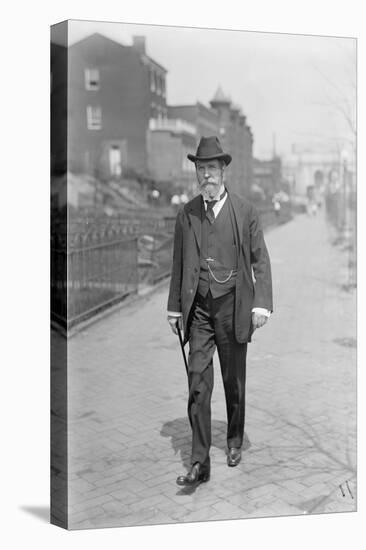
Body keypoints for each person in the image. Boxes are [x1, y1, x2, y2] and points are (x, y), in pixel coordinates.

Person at [167, 136, 273, 486]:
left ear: (223, 170)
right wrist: (174, 309)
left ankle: (233, 440)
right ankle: (199, 463)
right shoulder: (189, 213)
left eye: (211, 168)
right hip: (198, 310)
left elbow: (261, 260)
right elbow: (179, 263)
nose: (206, 176)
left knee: (233, 382)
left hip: (233, 307)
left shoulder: (245, 212)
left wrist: (261, 305)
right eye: (201, 169)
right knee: (197, 382)